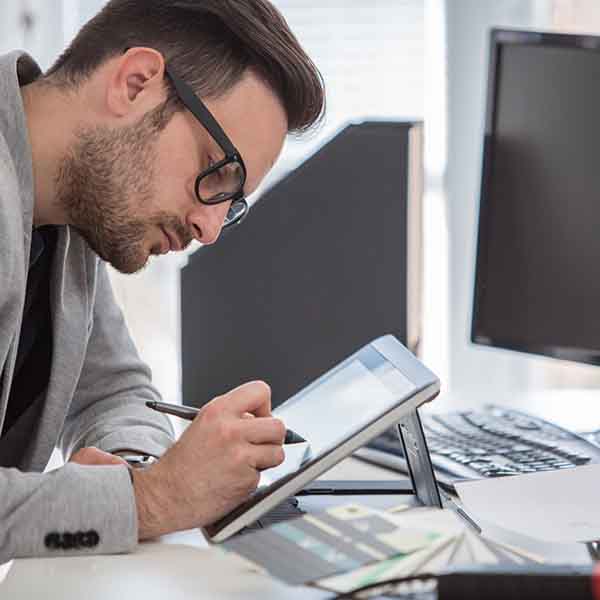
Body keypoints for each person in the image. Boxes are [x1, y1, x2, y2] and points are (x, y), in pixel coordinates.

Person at [0, 0, 324, 561]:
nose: (210, 226)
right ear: (136, 83)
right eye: (216, 172)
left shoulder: (65, 215)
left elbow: (115, 392)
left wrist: (138, 470)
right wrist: (151, 499)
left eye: (233, 202)